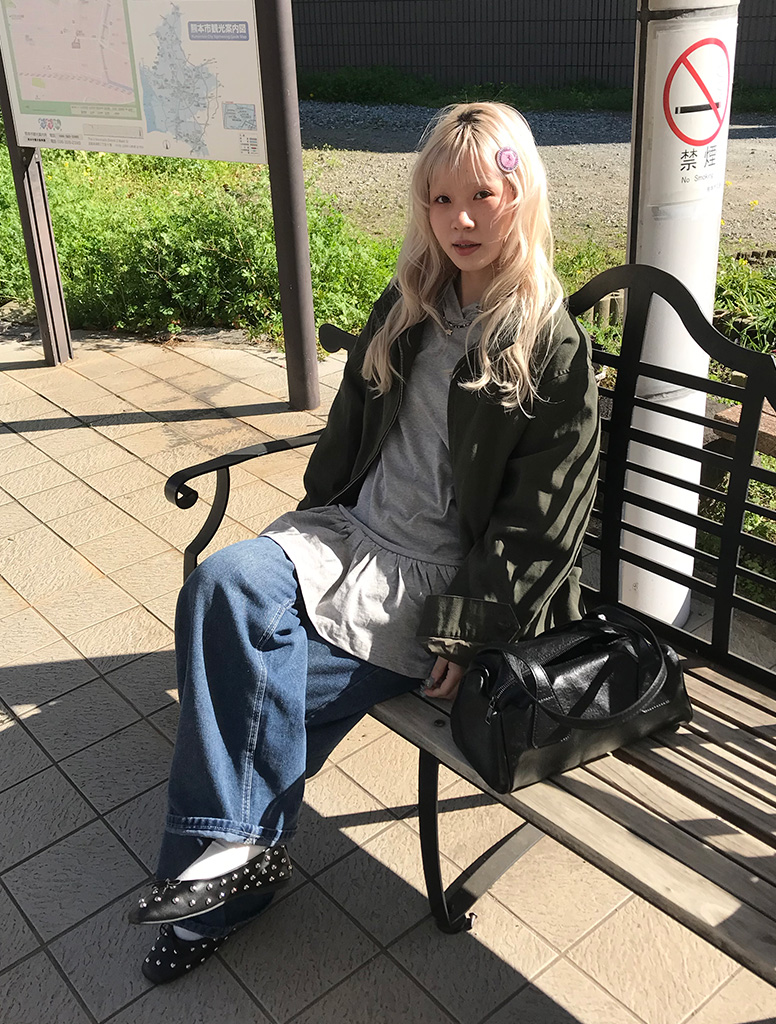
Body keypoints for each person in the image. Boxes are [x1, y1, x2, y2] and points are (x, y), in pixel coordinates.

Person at [129, 101, 600, 983]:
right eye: (441, 199)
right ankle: (241, 852)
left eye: (483, 196)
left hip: (437, 587)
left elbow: (540, 526)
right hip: (350, 539)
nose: (460, 219)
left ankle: (215, 890)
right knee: (225, 586)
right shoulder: (410, 302)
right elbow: (347, 433)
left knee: (246, 685)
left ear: (522, 196)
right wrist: (304, 539)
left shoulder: (550, 345)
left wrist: (466, 633)